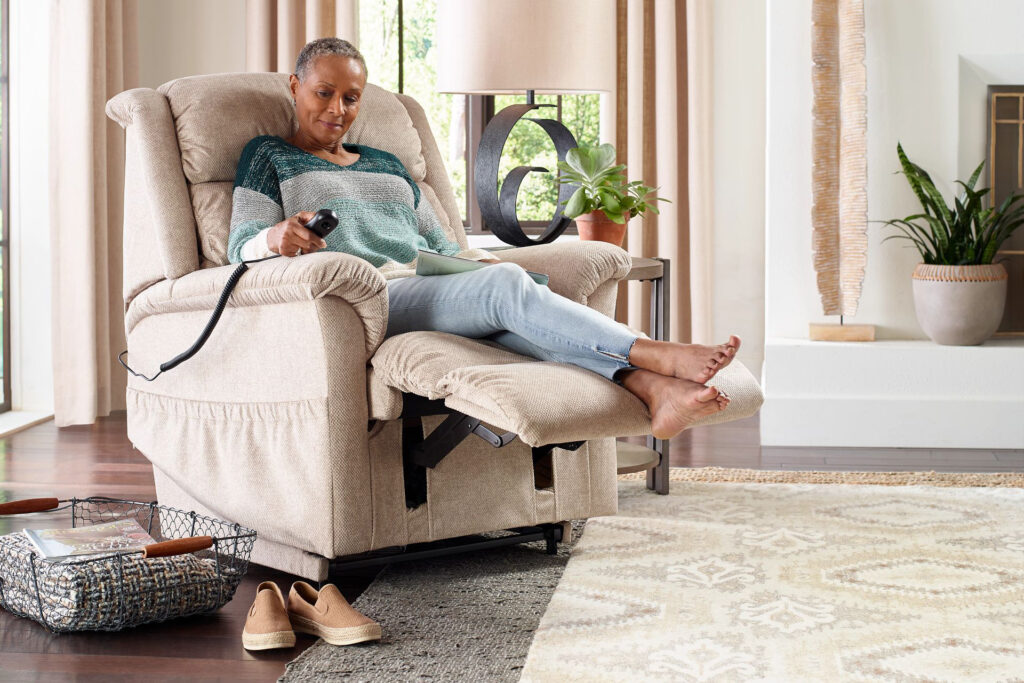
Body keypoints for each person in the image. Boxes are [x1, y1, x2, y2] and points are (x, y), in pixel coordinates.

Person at [228, 38, 741, 440]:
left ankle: (652, 389)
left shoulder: (388, 165)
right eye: (324, 93)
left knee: (521, 319)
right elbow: (240, 246)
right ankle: (655, 353)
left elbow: (442, 246)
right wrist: (276, 236)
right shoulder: (267, 155)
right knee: (506, 290)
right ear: (295, 86)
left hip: (428, 287)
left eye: (351, 97)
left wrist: (476, 268)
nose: (338, 109)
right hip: (366, 299)